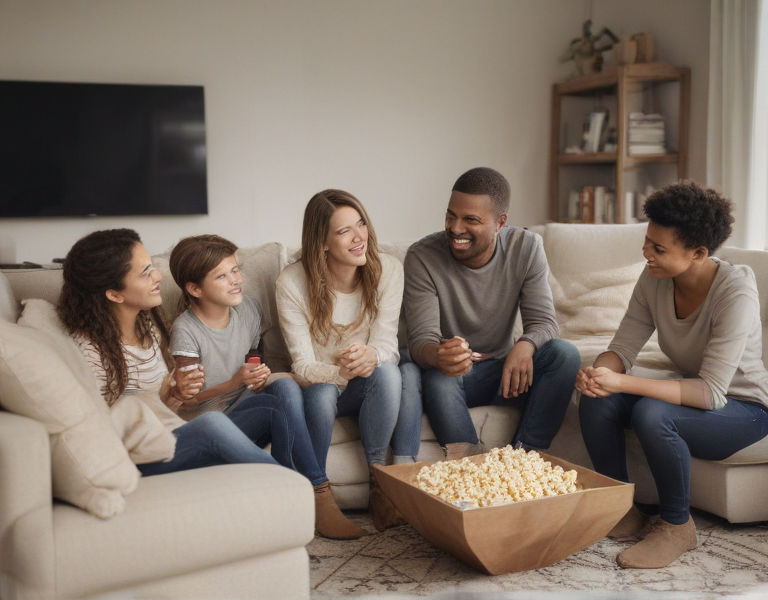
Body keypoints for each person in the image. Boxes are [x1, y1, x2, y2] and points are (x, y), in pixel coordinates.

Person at [575, 182, 768, 569]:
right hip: (695, 397)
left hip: (743, 409)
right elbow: (624, 349)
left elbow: (712, 394)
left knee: (652, 412)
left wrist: (622, 381)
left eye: (658, 248)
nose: (646, 253)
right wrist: (600, 373)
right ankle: (620, 509)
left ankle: (677, 525)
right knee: (599, 398)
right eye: (648, 242)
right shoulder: (655, 277)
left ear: (698, 253)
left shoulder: (735, 291)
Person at [167, 234, 365, 539]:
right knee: (282, 396)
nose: (235, 280)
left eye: (235, 270)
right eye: (222, 276)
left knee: (287, 389)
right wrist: (234, 382)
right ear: (195, 289)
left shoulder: (247, 308)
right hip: (217, 423)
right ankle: (316, 493)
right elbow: (187, 401)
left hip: (250, 405)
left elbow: (253, 356)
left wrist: (258, 375)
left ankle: (300, 498)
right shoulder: (186, 330)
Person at [57, 228, 294, 480]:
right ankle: (291, 486)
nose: (157, 275)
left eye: (152, 266)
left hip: (169, 436)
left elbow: (164, 411)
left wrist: (175, 394)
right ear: (115, 294)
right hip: (138, 458)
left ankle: (306, 485)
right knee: (212, 424)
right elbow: (101, 432)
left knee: (275, 406)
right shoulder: (91, 353)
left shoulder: (148, 326)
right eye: (145, 272)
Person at [403, 167, 581, 460]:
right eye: (451, 215)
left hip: (505, 372)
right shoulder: (422, 257)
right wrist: (440, 354)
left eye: (470, 220)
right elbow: (421, 340)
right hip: (455, 378)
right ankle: (471, 465)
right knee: (437, 377)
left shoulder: (526, 247)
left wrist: (525, 345)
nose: (456, 228)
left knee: (564, 355)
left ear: (500, 223)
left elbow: (545, 322)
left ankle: (524, 460)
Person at [275, 189, 416, 531]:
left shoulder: (388, 270)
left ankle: (379, 485)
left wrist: (371, 356)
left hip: (370, 384)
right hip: (323, 385)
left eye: (361, 224)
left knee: (390, 374)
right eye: (344, 231)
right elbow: (303, 365)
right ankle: (316, 493)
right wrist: (341, 371)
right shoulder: (292, 283)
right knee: (323, 393)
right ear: (321, 242)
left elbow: (387, 345)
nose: (359, 237)